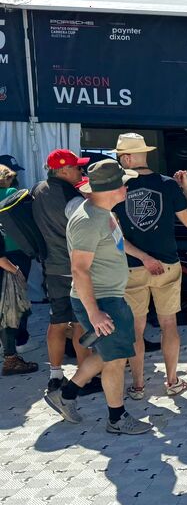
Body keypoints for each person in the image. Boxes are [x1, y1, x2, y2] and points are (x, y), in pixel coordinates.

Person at [44, 159, 151, 434]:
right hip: (101, 301)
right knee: (115, 359)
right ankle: (117, 419)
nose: (127, 187)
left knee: (108, 353)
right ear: (113, 188)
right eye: (124, 183)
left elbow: (118, 241)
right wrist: (94, 312)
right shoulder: (88, 220)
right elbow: (79, 270)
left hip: (108, 298)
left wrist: (144, 256)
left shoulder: (106, 213)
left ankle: (65, 395)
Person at [111, 133, 187, 399]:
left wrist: (143, 258)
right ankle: (172, 382)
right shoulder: (168, 185)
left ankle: (138, 386)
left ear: (126, 157)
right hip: (167, 265)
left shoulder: (116, 187)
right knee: (168, 324)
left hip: (132, 267)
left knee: (136, 329)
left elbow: (116, 237)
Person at [32, 149, 95, 394]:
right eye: (77, 167)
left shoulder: (38, 190)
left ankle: (55, 375)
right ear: (63, 170)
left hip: (52, 268)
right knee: (81, 323)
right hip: (75, 267)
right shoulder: (73, 197)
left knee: (57, 322)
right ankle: (85, 378)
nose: (81, 171)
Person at [0, 163, 35, 372]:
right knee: (15, 301)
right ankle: (17, 346)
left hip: (3, 254)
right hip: (15, 253)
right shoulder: (13, 193)